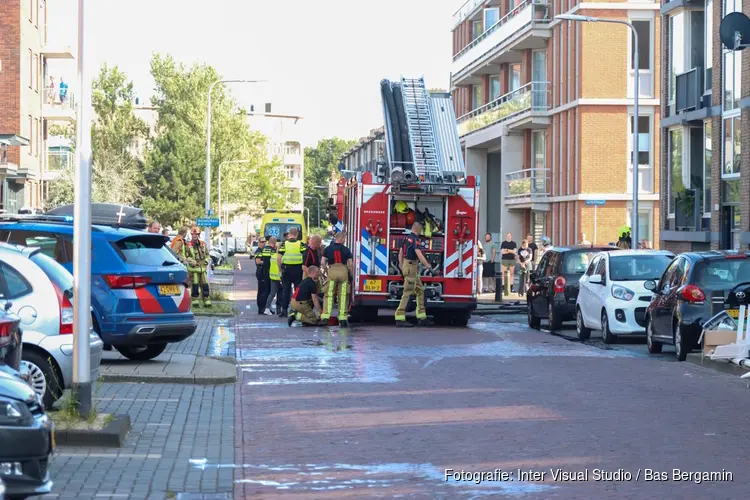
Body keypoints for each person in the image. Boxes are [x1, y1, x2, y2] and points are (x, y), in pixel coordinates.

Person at [395, 222, 432, 327]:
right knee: (407, 291)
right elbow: (419, 254)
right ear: (418, 230)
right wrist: (428, 266)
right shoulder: (415, 240)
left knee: (420, 289)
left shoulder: (405, 239)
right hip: (411, 267)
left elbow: (400, 254)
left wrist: (402, 267)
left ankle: (421, 316)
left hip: (407, 266)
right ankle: (400, 317)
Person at [320, 231, 353, 326]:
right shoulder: (346, 250)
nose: (345, 240)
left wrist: (326, 271)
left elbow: (322, 262)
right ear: (341, 239)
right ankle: (342, 318)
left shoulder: (328, 248)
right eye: (344, 238)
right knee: (343, 296)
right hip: (343, 271)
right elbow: (350, 264)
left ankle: (326, 317)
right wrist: (350, 274)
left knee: (329, 295)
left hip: (332, 271)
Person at [277, 227, 306, 317]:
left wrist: (280, 269)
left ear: (289, 234)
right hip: (298, 270)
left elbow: (278, 258)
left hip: (286, 269)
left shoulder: (284, 244)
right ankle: (296, 310)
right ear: (297, 234)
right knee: (298, 290)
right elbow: (305, 256)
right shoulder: (301, 244)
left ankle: (284, 310)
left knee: (286, 290)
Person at [187, 226, 211, 306]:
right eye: (193, 234)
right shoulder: (188, 245)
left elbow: (207, 255)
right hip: (194, 270)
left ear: (198, 235)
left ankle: (207, 301)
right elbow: (186, 256)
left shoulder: (203, 244)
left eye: (196, 234)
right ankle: (195, 302)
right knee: (195, 286)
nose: (195, 236)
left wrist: (206, 261)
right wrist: (191, 261)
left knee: (205, 285)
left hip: (203, 269)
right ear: (191, 235)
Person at [255, 238, 274, 315]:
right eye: (262, 242)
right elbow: (258, 261)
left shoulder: (264, 250)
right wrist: (267, 261)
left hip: (266, 273)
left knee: (267, 291)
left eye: (265, 242)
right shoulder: (258, 251)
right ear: (259, 243)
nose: (264, 243)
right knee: (262, 292)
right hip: (262, 273)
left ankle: (266, 308)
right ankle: (261, 308)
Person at [265, 238, 282, 314]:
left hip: (273, 277)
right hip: (280, 277)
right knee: (281, 294)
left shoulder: (273, 255)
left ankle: (267, 308)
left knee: (272, 293)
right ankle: (279, 310)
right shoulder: (282, 257)